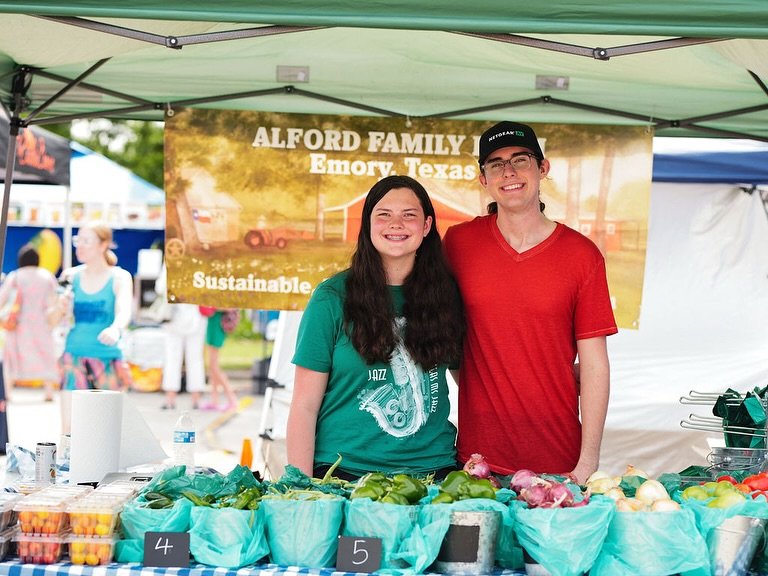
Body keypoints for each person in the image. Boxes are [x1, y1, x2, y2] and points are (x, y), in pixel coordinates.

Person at [443, 121, 618, 484]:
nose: (509, 172)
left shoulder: (581, 256)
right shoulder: (458, 244)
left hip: (559, 463)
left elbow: (595, 364)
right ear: (483, 179)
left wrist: (588, 462)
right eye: (496, 164)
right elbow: (446, 340)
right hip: (476, 462)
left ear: (542, 168)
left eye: (520, 160)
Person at [286, 175, 464, 481]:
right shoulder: (331, 298)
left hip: (434, 476)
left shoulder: (448, 297)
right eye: (384, 214)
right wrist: (303, 489)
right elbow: (303, 406)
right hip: (343, 475)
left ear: (426, 226)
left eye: (409, 215)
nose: (396, 224)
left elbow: (474, 386)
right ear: (368, 225)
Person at [54, 223, 134, 434]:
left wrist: (116, 329)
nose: (79, 246)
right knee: (70, 430)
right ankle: (68, 465)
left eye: (86, 241)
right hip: (74, 355)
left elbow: (124, 310)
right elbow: (52, 319)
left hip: (106, 356)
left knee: (109, 430)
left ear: (103, 245)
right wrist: (60, 307)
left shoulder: (119, 277)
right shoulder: (70, 276)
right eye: (77, 240)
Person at [0, 244, 60, 403]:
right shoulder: (47, 276)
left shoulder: (15, 276)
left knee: (12, 358)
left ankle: (8, 392)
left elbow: (2, 298)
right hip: (42, 323)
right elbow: (55, 300)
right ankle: (49, 392)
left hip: (18, 325)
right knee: (45, 355)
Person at [155, 265, 207, 411]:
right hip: (196, 316)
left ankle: (170, 399)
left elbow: (160, 287)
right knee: (195, 358)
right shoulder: (202, 259)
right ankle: (196, 399)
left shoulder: (173, 259)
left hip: (174, 316)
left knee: (172, 358)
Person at [199, 308, 238, 412]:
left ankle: (232, 399)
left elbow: (229, 307)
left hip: (218, 324)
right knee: (212, 367)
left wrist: (213, 306)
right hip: (212, 322)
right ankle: (215, 400)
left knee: (214, 366)